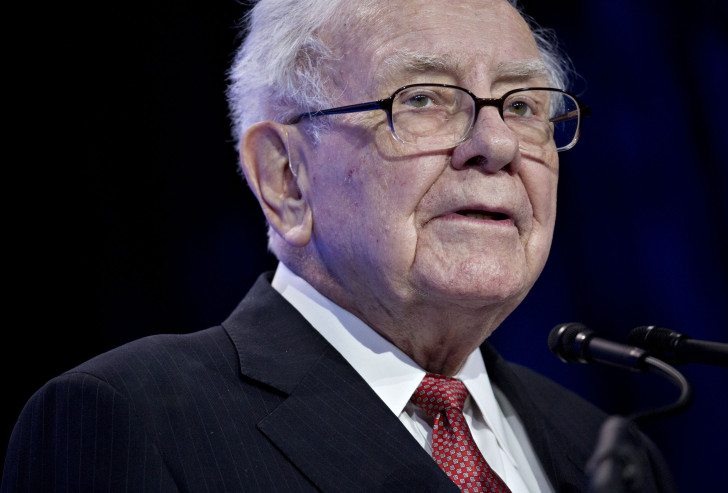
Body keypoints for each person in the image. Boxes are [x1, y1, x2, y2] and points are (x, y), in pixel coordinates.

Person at [2, 0, 675, 492]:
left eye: (524, 106)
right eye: (424, 99)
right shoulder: (132, 418)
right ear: (285, 176)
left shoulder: (606, 448)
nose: (496, 144)